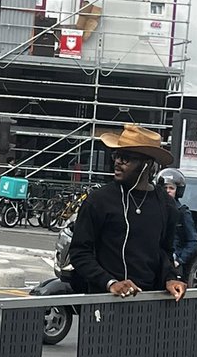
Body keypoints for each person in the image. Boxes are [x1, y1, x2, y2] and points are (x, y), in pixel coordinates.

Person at [68, 124, 186, 302]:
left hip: (149, 300)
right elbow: (79, 252)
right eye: (116, 156)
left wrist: (171, 278)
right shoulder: (99, 200)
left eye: (127, 158)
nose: (118, 162)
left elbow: (164, 252)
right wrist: (110, 282)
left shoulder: (166, 204)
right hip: (104, 299)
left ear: (147, 165)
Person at [156, 167, 197, 278]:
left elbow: (192, 241)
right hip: (156, 260)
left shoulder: (183, 212)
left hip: (173, 262)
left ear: (178, 191)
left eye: (171, 188)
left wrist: (179, 260)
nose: (168, 191)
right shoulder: (153, 209)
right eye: (165, 188)